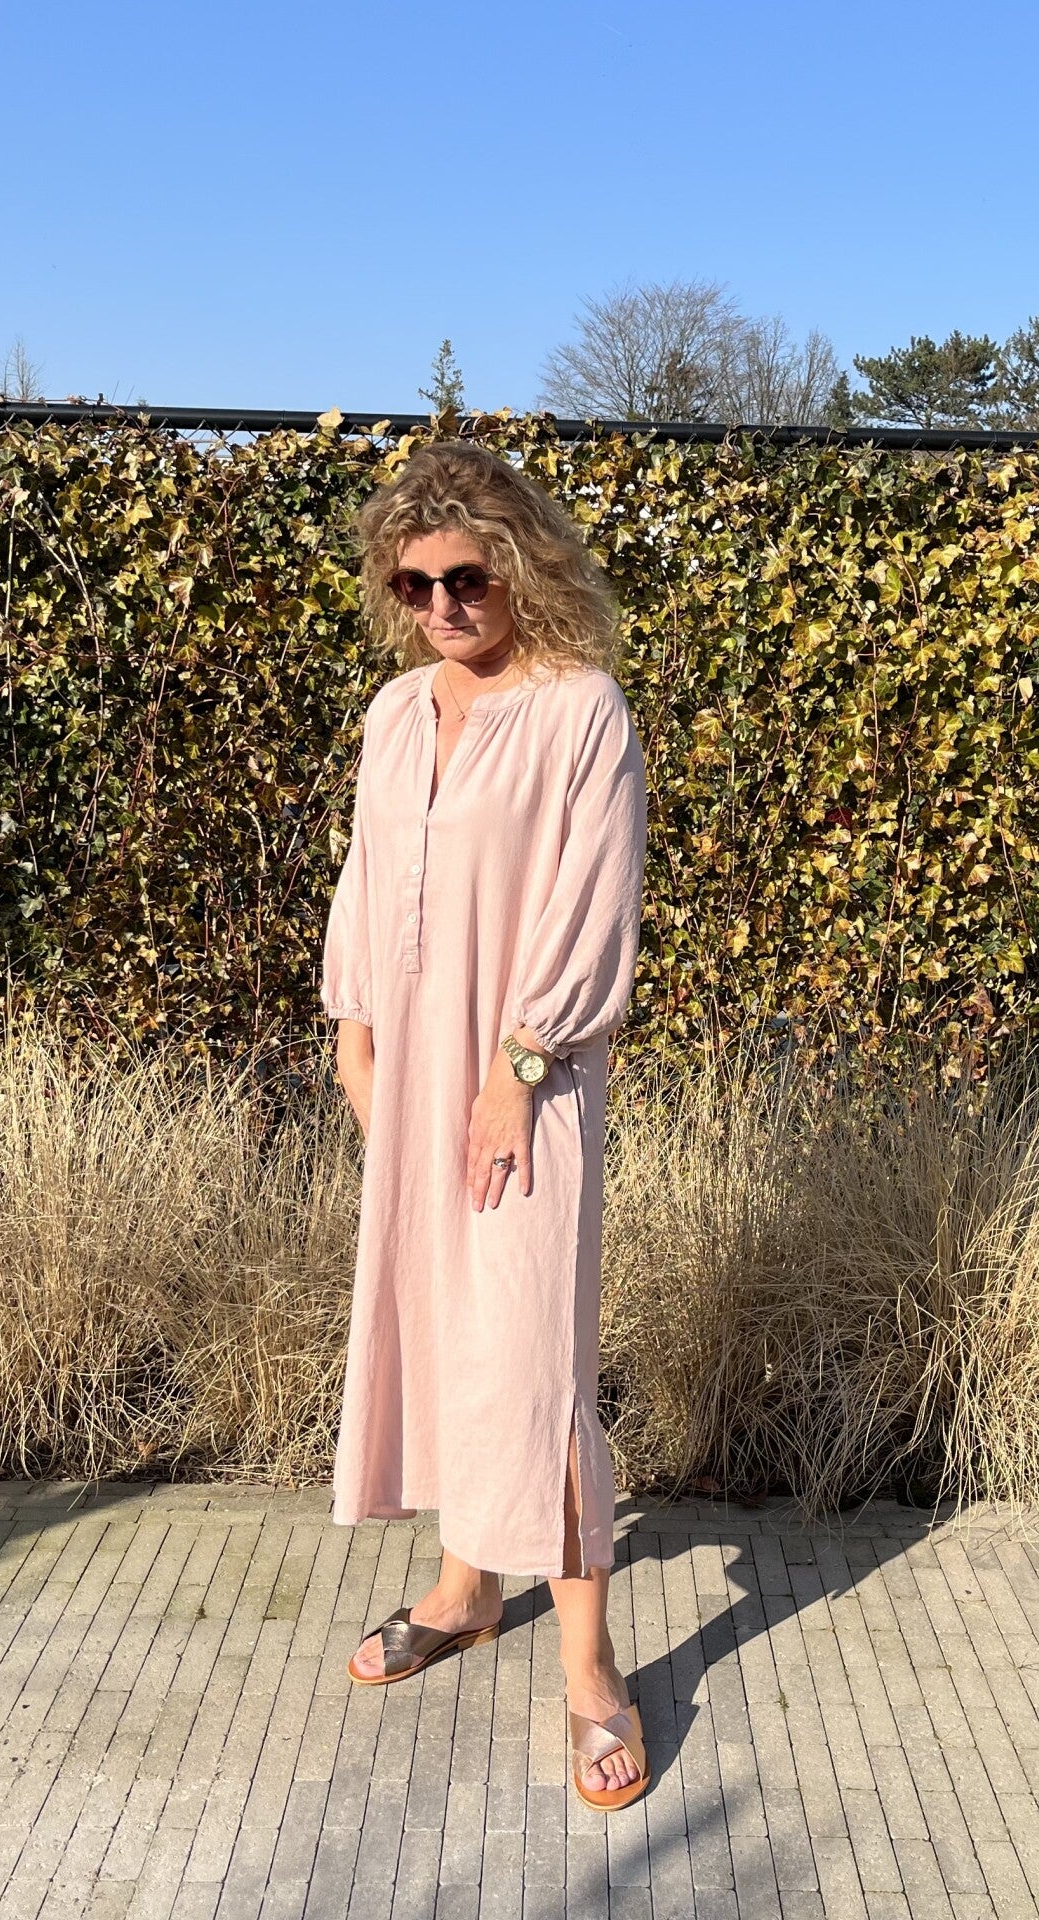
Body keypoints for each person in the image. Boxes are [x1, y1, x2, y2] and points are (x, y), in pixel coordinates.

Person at [318, 439, 652, 1810]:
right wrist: (354, 1028)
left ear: (522, 566)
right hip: (406, 1070)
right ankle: (465, 1589)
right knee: (438, 1327)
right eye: (415, 583)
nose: (443, 605)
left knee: (530, 1355)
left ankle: (591, 1669)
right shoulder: (397, 712)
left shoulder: (581, 710)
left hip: (529, 1074)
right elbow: (366, 874)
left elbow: (594, 899)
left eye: (467, 577)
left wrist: (516, 1068)